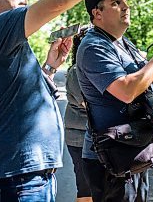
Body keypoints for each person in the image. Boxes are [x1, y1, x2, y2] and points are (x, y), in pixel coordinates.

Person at [0, 0, 153, 202]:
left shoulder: (7, 42)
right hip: (16, 178)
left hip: (33, 175)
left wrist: (50, 66)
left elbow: (18, 99)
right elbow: (59, 0)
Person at [76, 0, 153, 201]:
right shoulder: (94, 47)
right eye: (116, 2)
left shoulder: (123, 43)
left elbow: (146, 86)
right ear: (97, 13)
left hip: (134, 148)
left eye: (125, 1)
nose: (126, 7)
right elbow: (127, 92)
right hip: (110, 158)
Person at [65, 30, 92, 202]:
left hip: (100, 138)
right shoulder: (76, 72)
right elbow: (91, 105)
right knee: (86, 189)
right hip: (80, 139)